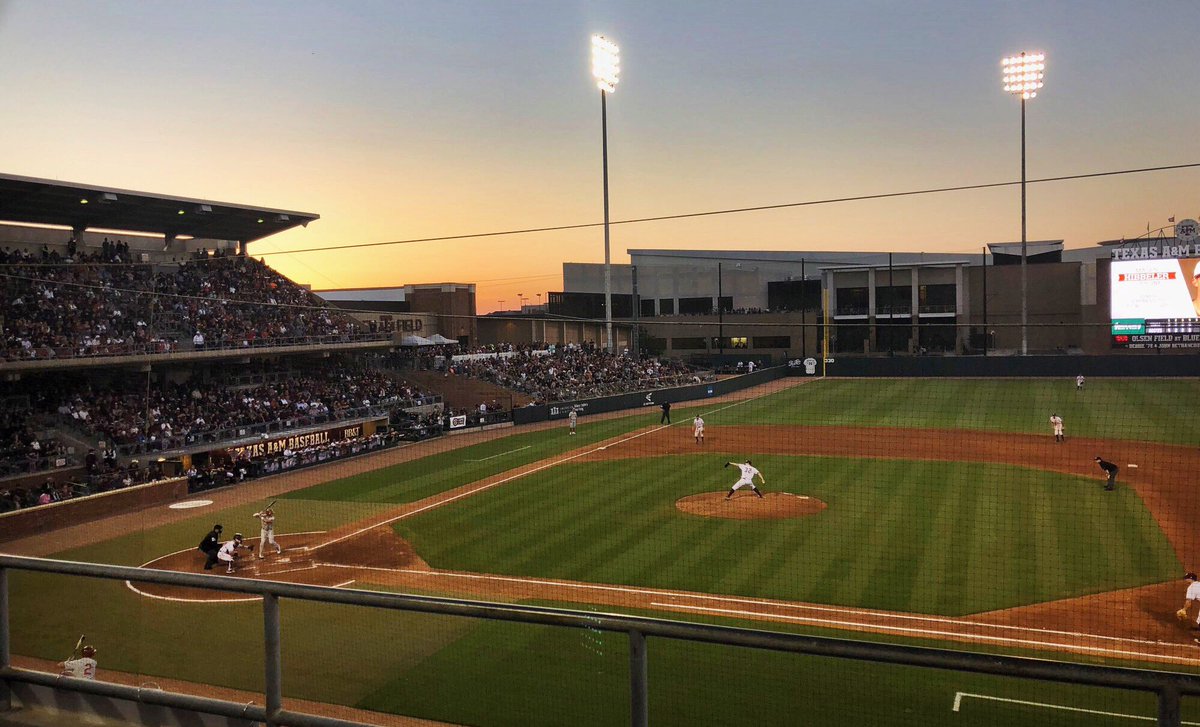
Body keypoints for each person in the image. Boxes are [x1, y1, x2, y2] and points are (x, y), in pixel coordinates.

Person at [1181, 573, 1200, 639]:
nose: (1185, 579)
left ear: (1190, 579)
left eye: (1186, 578)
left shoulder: (1191, 588)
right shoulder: (1198, 584)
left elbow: (1188, 602)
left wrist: (1183, 609)